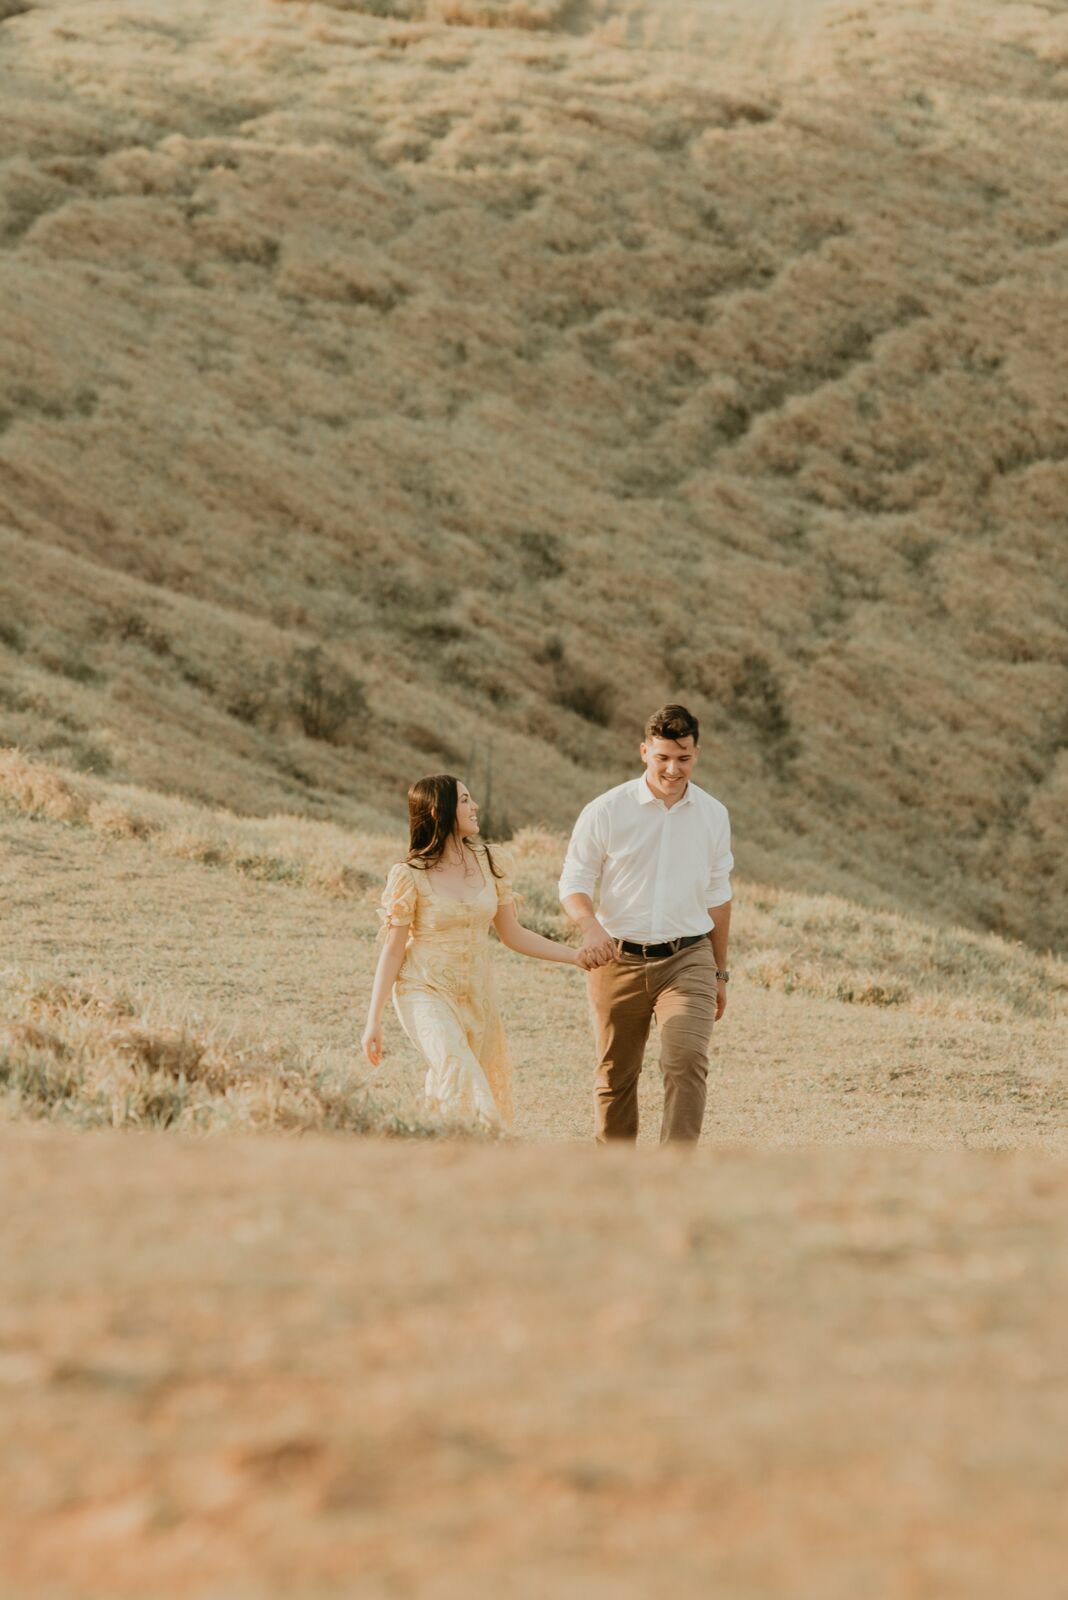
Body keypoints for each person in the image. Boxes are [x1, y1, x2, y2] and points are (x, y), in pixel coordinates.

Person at [363, 773, 588, 1129]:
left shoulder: (490, 862)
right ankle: (483, 1147)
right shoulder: (409, 875)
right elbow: (393, 950)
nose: (475, 806)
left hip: (477, 995)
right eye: (465, 800)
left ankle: (434, 1152)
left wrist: (574, 956)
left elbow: (512, 934)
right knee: (457, 1069)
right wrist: (373, 1020)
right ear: (440, 811)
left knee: (451, 1085)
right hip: (424, 990)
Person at [559, 704, 733, 1145]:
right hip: (617, 959)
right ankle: (616, 1182)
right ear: (644, 752)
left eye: (684, 757)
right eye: (663, 757)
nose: (673, 769)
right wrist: (591, 927)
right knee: (615, 1077)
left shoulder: (713, 814)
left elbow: (718, 896)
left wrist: (720, 970)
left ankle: (675, 1178)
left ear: (697, 754)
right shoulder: (606, 810)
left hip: (688, 957)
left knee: (686, 1059)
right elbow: (574, 883)